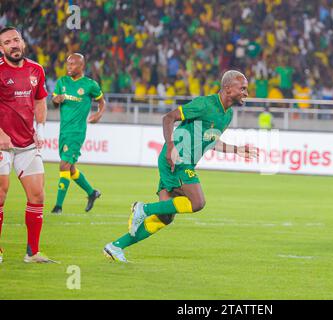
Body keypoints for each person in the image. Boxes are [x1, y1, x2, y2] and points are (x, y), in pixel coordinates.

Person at [103, 70, 258, 262]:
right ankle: (143, 209)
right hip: (177, 159)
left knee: (165, 217)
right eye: (242, 88)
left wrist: (236, 150)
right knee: (198, 202)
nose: (246, 92)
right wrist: (170, 146)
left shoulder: (227, 115)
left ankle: (115, 246)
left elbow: (211, 140)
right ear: (227, 88)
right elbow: (168, 118)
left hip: (182, 162)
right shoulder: (204, 104)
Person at [0, 26, 56, 263]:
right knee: (0, 197)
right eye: (7, 42)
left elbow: (41, 100)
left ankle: (32, 252)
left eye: (16, 39)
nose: (13, 44)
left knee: (37, 195)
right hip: (2, 144)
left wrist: (40, 131)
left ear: (22, 42)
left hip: (27, 144)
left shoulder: (36, 69)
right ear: (1, 48)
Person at [51, 53, 105, 214]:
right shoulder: (62, 82)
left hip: (77, 132)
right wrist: (56, 100)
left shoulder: (90, 85)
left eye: (73, 64)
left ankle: (58, 207)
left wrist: (98, 114)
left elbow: (102, 101)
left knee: (64, 165)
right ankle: (92, 192)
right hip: (64, 131)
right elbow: (53, 102)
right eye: (68, 64)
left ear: (81, 66)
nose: (69, 67)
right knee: (71, 168)